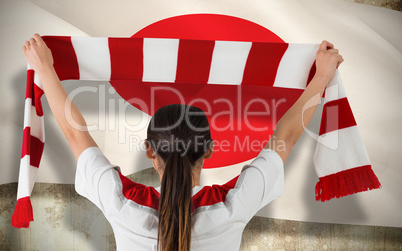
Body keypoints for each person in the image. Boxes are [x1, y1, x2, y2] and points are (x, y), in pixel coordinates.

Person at [22, 33, 343, 251]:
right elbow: (285, 136)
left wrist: (46, 68)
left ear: (150, 150)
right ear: (209, 149)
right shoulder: (232, 204)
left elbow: (75, 134)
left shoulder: (124, 203)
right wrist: (322, 77)